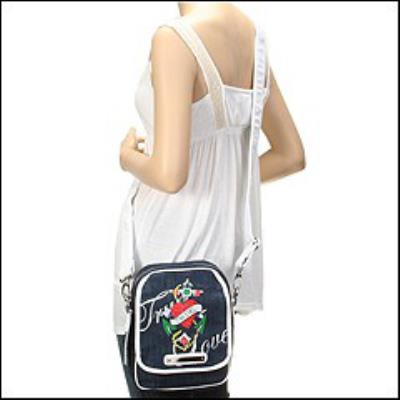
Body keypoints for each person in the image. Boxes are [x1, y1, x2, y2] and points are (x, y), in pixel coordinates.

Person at [115, 2, 305, 398]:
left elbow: (169, 175)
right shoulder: (253, 39)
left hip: (163, 271)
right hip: (216, 270)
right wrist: (223, 179)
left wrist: (128, 156)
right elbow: (290, 155)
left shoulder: (173, 39)